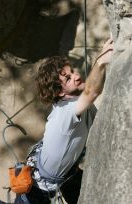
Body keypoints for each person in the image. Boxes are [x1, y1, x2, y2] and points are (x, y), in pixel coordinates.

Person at [25, 38, 113, 204]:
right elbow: (92, 92)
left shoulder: (79, 105)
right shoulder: (64, 113)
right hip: (38, 192)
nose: (77, 76)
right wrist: (101, 61)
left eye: (72, 71)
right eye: (68, 79)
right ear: (60, 92)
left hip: (67, 174)